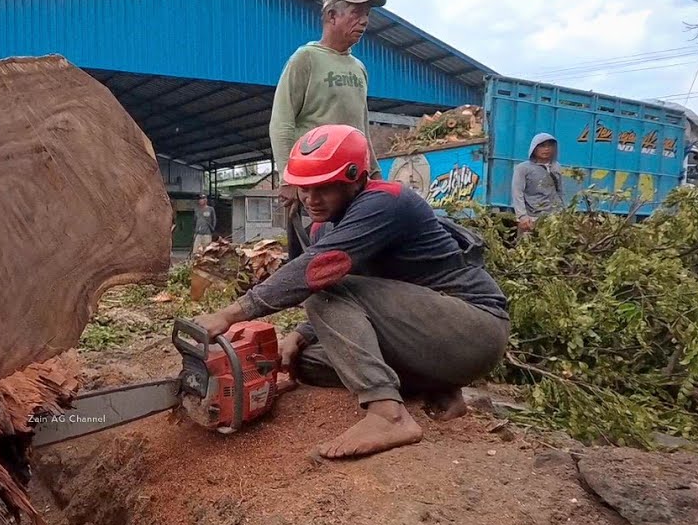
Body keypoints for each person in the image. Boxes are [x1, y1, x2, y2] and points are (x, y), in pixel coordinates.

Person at [193, 124, 510, 459]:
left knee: (321, 290)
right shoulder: (323, 226)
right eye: (305, 189)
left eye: (325, 188)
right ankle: (439, 385)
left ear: (357, 180)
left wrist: (230, 313)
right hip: (427, 338)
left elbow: (318, 273)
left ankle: (388, 415)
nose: (311, 200)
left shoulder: (387, 202)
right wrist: (300, 336)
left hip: (474, 328)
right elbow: (351, 295)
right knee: (308, 363)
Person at [270, 0, 386, 254]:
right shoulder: (306, 59)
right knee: (307, 259)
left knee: (347, 254)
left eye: (367, 14)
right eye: (356, 13)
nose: (365, 20)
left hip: (349, 183)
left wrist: (377, 176)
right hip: (314, 183)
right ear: (332, 16)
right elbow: (282, 120)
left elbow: (362, 128)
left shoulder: (359, 69)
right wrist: (289, 178)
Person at [512, 133, 565, 233]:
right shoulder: (523, 168)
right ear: (534, 148)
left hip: (554, 218)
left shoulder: (556, 167)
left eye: (550, 146)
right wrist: (522, 216)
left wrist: (563, 212)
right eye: (542, 146)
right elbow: (517, 192)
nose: (546, 149)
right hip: (532, 218)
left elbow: (560, 191)